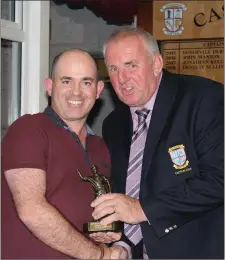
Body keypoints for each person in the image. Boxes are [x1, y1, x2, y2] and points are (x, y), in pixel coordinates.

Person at [90, 27, 224, 259]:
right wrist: (122, 242)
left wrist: (142, 210)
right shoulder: (113, 124)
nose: (122, 79)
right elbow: (127, 192)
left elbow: (219, 179)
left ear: (156, 63)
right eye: (113, 68)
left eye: (131, 65)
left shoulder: (204, 98)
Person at [1, 49, 128, 259]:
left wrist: (102, 232)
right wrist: (99, 255)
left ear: (98, 90)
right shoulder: (29, 129)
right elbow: (32, 211)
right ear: (50, 87)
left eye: (86, 82)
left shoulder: (100, 147)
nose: (76, 92)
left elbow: (83, 214)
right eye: (66, 81)